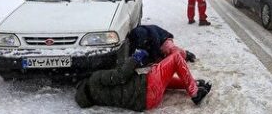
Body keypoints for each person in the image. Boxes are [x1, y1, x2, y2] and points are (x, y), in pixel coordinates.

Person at [75, 49, 212, 111]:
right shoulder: (95, 78)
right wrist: (135, 57)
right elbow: (121, 76)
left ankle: (194, 84)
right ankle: (195, 94)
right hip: (146, 88)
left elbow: (119, 85)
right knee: (175, 58)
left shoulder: (94, 96)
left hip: (146, 102)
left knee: (158, 73)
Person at [127, 25, 196, 63]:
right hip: (151, 46)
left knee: (168, 50)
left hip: (164, 40)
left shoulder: (153, 35)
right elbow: (133, 49)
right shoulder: (134, 36)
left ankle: (185, 54)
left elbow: (155, 49)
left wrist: (155, 58)